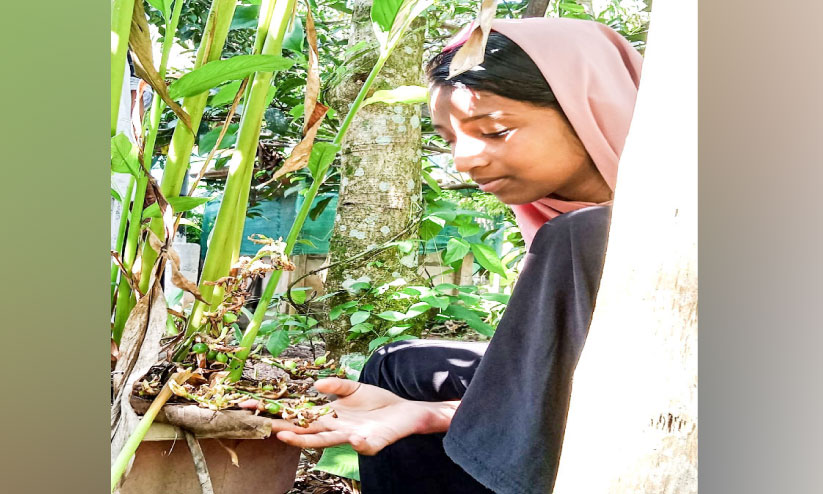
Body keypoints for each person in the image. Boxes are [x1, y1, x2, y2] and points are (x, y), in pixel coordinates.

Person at [248, 17, 642, 493]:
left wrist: (435, 416)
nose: (464, 159)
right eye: (449, 139)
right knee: (401, 367)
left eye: (495, 131)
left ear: (593, 107)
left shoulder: (596, 230)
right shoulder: (563, 221)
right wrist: (428, 412)